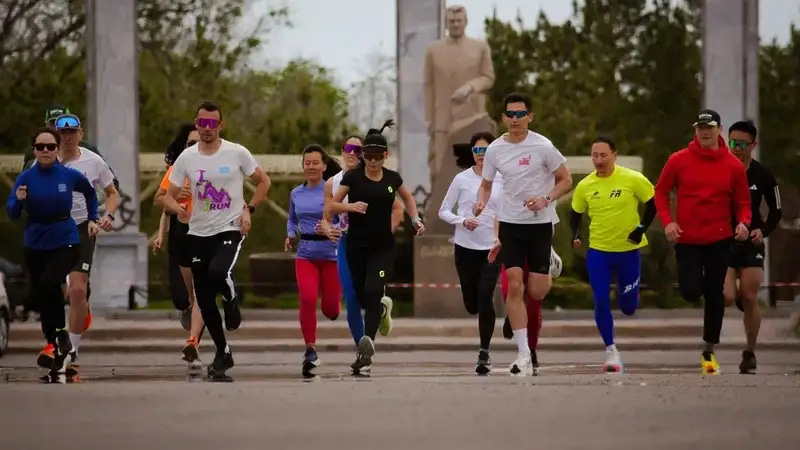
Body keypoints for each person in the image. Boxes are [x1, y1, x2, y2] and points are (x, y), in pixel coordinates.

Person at [163, 101, 271, 382]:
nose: (207, 129)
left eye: (212, 124)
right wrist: (176, 207)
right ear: (196, 124)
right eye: (202, 123)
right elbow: (165, 195)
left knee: (218, 273)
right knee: (204, 298)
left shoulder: (236, 152)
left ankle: (232, 299)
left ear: (220, 126)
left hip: (230, 228)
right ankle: (223, 352)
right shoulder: (186, 158)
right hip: (198, 232)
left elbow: (263, 182)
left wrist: (249, 209)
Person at [474, 92, 572, 376]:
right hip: (510, 224)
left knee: (537, 290)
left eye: (520, 114)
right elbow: (486, 184)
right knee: (514, 286)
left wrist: (546, 197)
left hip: (540, 223)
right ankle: (523, 354)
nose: (515, 120)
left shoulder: (543, 146)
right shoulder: (494, 149)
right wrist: (481, 201)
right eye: (510, 115)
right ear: (503, 117)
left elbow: (566, 179)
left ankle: (549, 260)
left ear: (530, 117)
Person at [654, 109, 751, 375]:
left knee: (714, 293)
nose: (705, 132)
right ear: (695, 130)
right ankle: (704, 332)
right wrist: (668, 222)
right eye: (700, 127)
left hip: (719, 238)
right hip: (688, 238)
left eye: (709, 127)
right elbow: (661, 192)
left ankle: (709, 349)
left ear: (719, 130)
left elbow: (743, 201)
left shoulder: (733, 165)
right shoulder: (679, 160)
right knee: (690, 291)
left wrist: (743, 223)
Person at [331, 120, 425, 374]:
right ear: (363, 156)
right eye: (368, 156)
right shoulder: (353, 177)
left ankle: (365, 349)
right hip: (356, 246)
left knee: (373, 291)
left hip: (382, 247)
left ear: (386, 155)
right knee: (362, 296)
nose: (373, 162)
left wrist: (415, 219)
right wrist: (350, 207)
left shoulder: (393, 178)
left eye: (377, 157)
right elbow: (331, 205)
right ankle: (383, 309)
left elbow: (407, 198)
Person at [6, 127, 100, 374]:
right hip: (35, 241)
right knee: (41, 294)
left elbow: (91, 193)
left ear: (57, 150)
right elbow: (12, 212)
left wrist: (93, 217)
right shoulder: (26, 177)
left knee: (50, 283)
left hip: (65, 238)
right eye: (40, 147)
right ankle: (56, 341)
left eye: (50, 147)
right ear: (34, 150)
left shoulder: (68, 175)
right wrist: (18, 199)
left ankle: (61, 336)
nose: (45, 151)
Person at [30, 114, 118, 375]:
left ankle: (72, 349)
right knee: (55, 290)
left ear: (80, 134)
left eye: (72, 132)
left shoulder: (93, 161)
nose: (67, 137)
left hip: (81, 228)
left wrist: (107, 216)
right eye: (62, 133)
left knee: (78, 290)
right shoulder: (43, 160)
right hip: (50, 230)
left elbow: (113, 193)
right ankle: (55, 342)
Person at [570, 137, 657, 373]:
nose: (598, 160)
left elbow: (654, 203)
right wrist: (575, 235)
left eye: (603, 155)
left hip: (628, 251)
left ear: (614, 155)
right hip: (599, 251)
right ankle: (611, 350)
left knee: (628, 307)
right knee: (599, 299)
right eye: (594, 156)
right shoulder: (585, 185)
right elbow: (576, 213)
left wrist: (641, 230)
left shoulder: (632, 179)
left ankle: (630, 294)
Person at [321, 135, 404, 375]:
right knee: (352, 297)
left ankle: (364, 351)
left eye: (358, 150)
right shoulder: (333, 183)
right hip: (347, 242)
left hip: (372, 243)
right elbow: (327, 214)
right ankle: (370, 329)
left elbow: (398, 208)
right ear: (342, 151)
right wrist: (327, 229)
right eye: (349, 148)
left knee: (364, 296)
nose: (353, 153)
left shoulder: (374, 176)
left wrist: (384, 230)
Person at [438, 132, 502, 374]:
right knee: (472, 303)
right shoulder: (461, 179)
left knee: (486, 296)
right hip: (465, 247)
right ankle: (474, 306)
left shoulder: (503, 179)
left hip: (492, 247)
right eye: (477, 151)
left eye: (485, 151)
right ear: (472, 154)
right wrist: (462, 220)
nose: (481, 156)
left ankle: (484, 352)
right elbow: (443, 211)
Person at [723, 120, 782, 374]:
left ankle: (750, 352)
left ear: (753, 145)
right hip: (723, 240)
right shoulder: (718, 170)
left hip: (751, 242)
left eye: (742, 144)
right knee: (726, 297)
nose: (736, 148)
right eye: (732, 142)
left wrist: (763, 231)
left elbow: (776, 210)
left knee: (749, 295)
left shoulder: (762, 175)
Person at [285, 144, 343, 378]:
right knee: (307, 299)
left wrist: (332, 228)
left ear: (324, 166)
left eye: (315, 163)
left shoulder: (333, 191)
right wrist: (290, 235)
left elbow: (343, 220)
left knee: (330, 309)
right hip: (305, 254)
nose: (311, 167)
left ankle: (333, 307)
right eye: (307, 163)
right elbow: (291, 220)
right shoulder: (296, 193)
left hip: (331, 255)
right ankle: (310, 349)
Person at [154, 123, 206, 365]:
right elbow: (161, 200)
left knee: (201, 291)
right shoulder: (177, 170)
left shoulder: (218, 166)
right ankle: (187, 311)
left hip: (208, 232)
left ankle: (193, 341)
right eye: (190, 144)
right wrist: (175, 203)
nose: (195, 148)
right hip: (181, 231)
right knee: (183, 296)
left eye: (199, 143)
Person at [22, 104, 120, 191]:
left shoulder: (88, 149)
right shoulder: (34, 151)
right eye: (53, 124)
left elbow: (113, 183)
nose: (57, 128)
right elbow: (23, 186)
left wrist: (94, 197)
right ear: (46, 126)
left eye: (62, 123)